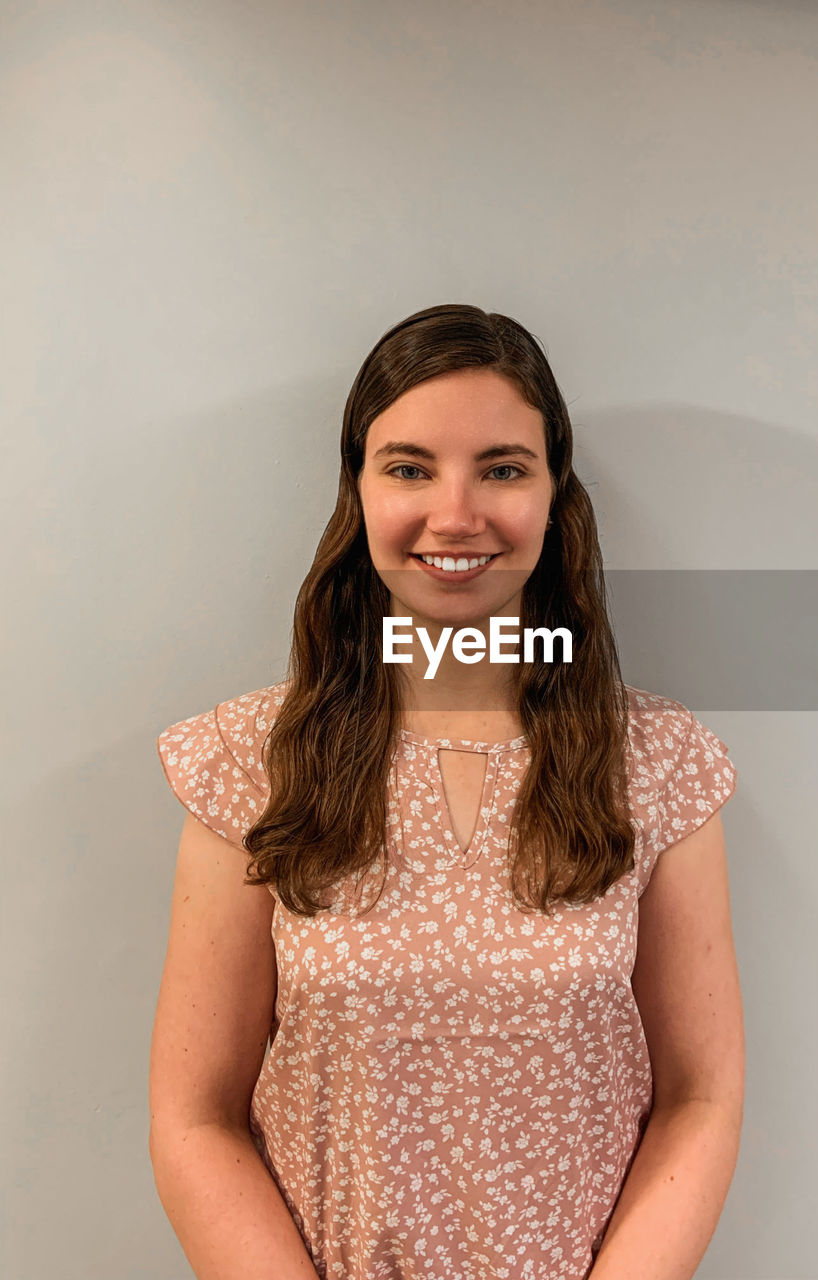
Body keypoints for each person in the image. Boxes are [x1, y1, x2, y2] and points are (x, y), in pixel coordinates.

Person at [149, 304, 744, 1280]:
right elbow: (194, 1116)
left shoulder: (660, 764)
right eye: (410, 466)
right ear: (359, 488)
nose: (457, 512)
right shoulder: (247, 761)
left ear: (555, 495)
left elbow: (701, 1096)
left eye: (503, 467)